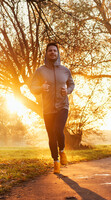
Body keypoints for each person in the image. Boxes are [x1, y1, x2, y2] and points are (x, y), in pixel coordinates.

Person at [31, 43, 75, 174]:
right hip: (48, 108)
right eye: (50, 50)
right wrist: (41, 88)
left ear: (58, 53)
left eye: (55, 51)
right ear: (46, 53)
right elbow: (32, 87)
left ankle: (62, 150)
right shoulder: (40, 71)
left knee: (58, 129)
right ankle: (55, 161)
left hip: (63, 106)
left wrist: (67, 90)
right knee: (51, 136)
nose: (52, 52)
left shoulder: (65, 70)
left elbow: (72, 84)